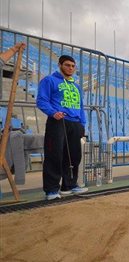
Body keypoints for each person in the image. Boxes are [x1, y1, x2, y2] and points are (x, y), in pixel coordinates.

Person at [36, 55, 88, 200]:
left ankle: (69, 185)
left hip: (75, 123)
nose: (70, 68)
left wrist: (82, 125)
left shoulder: (76, 86)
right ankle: (51, 190)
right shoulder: (49, 80)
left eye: (72, 66)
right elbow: (41, 100)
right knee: (55, 155)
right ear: (60, 65)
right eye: (67, 65)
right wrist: (53, 112)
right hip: (58, 121)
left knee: (74, 156)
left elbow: (81, 107)